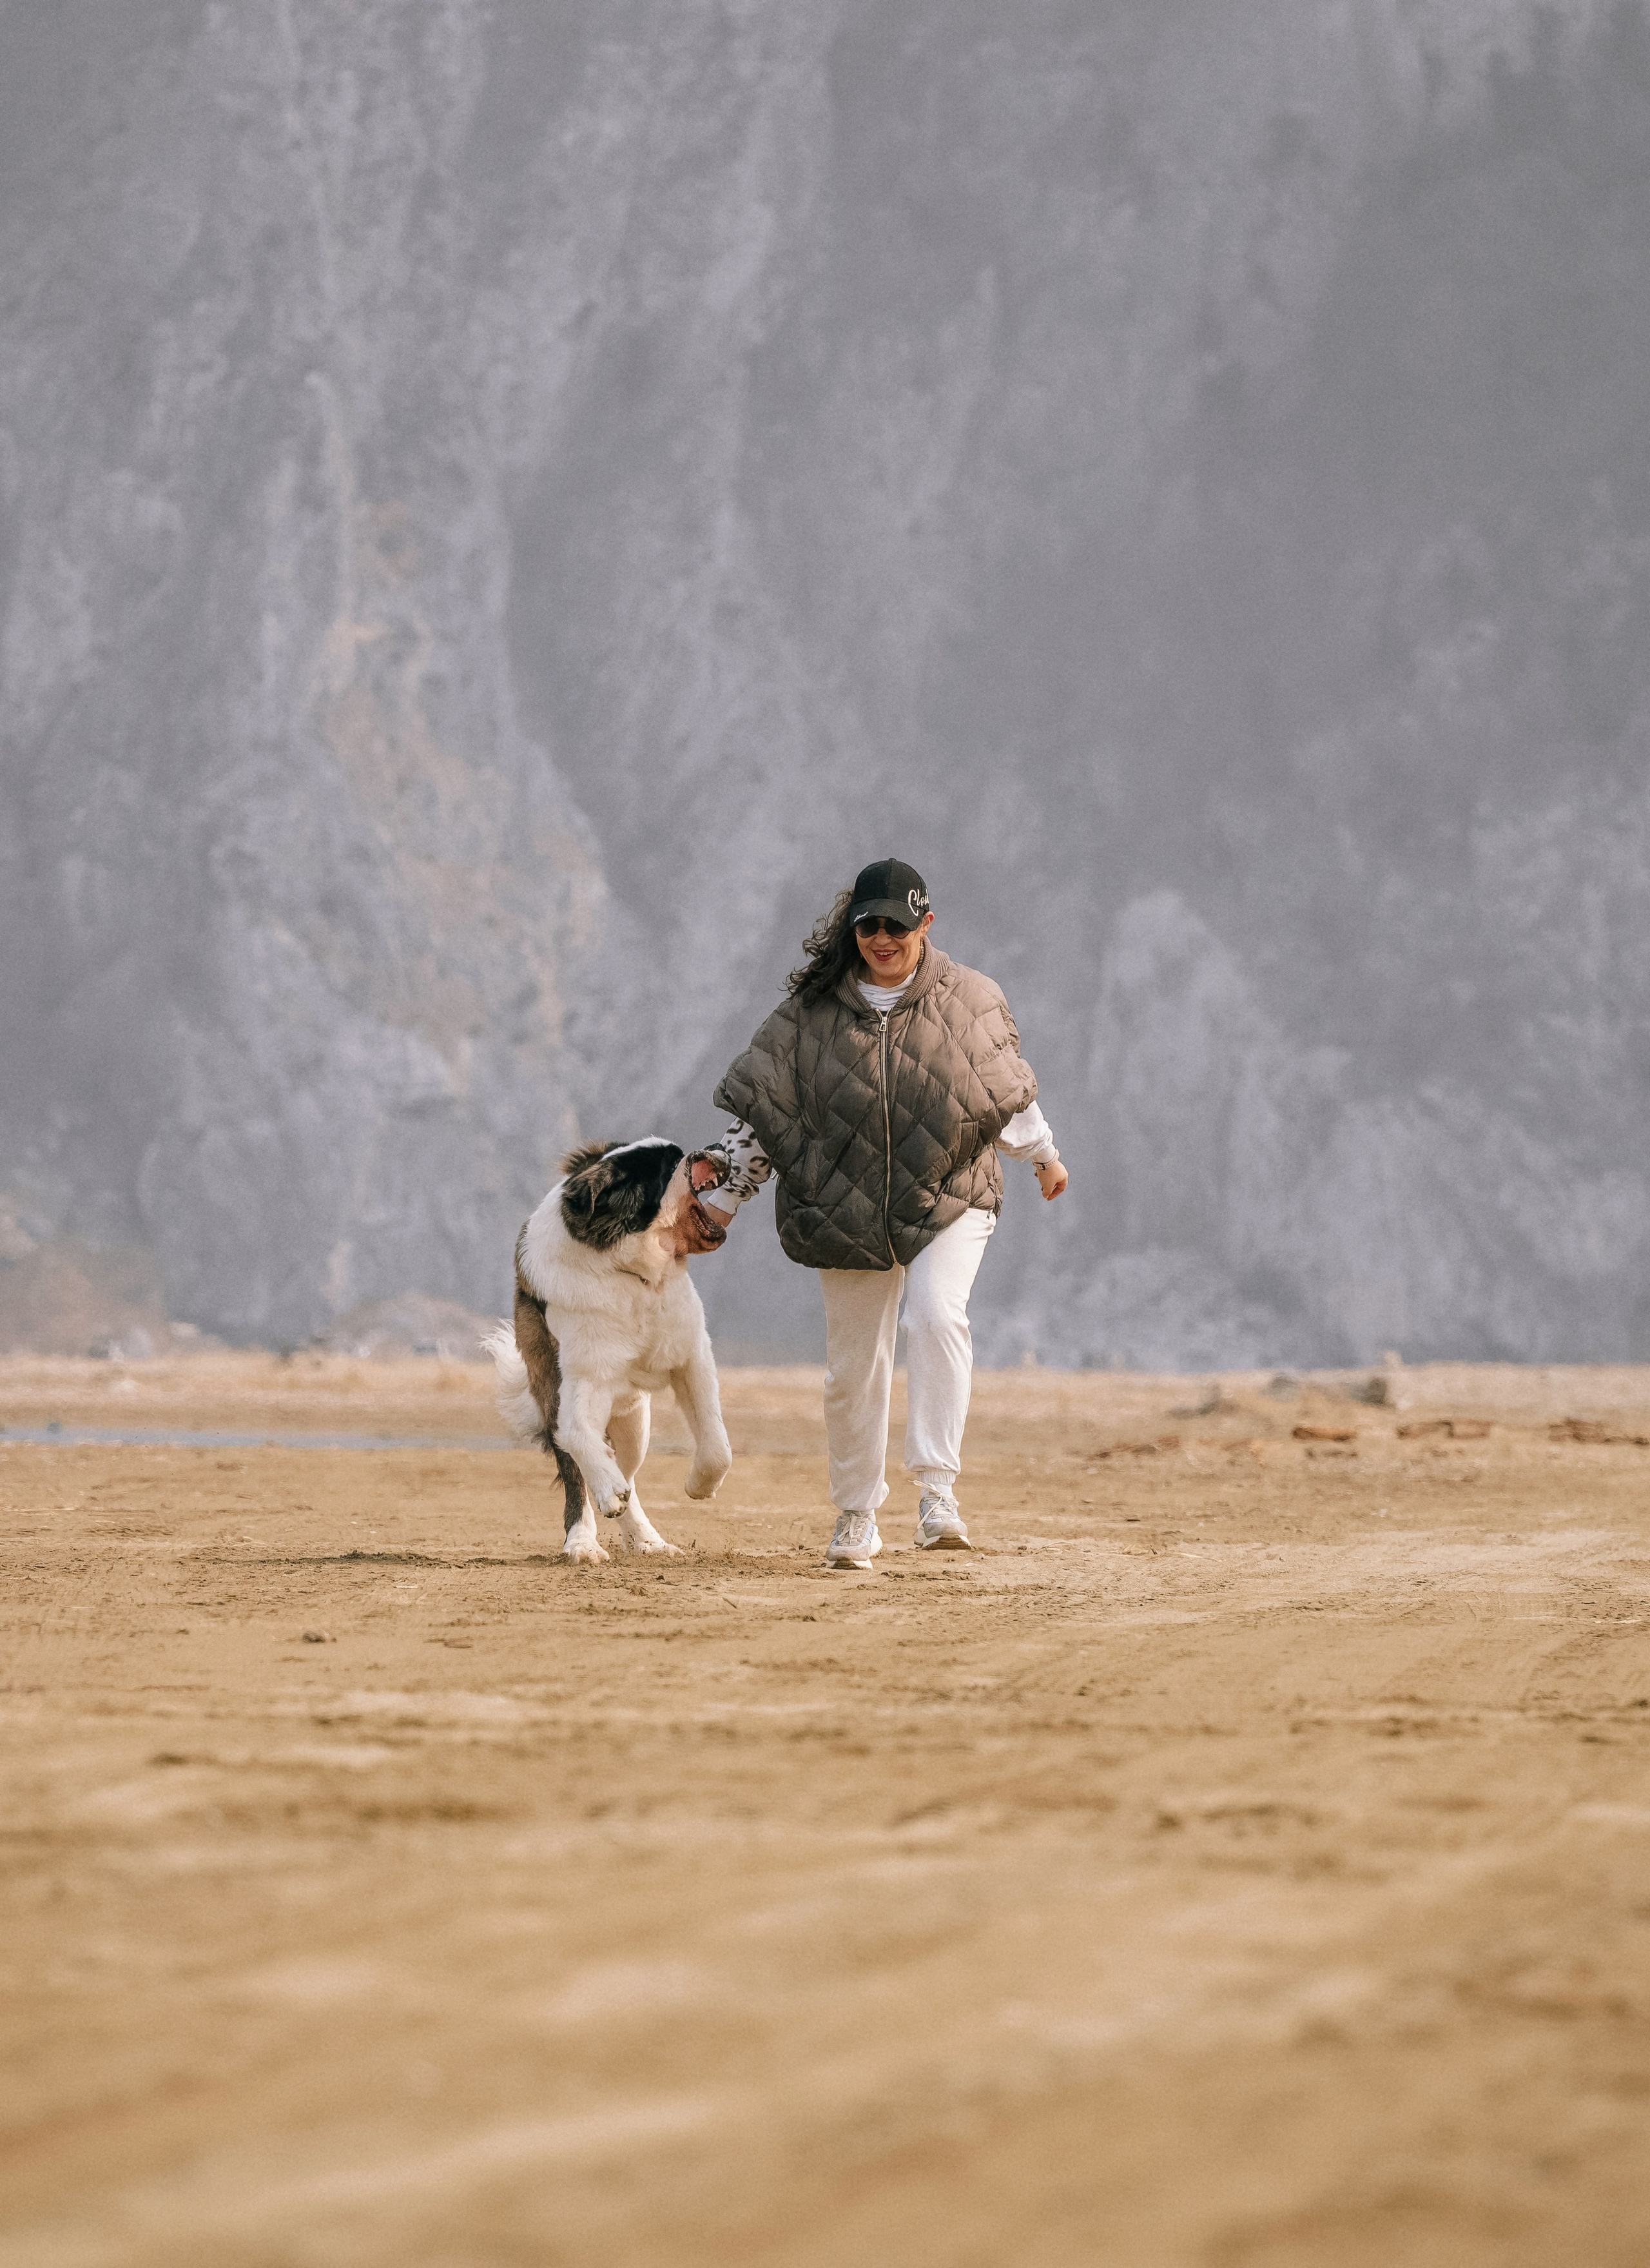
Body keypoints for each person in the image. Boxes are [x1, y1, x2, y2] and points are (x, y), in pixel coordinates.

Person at [705, 857, 1067, 1568]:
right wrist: (720, 1200)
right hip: (846, 1202)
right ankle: (855, 1513)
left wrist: (1045, 1156)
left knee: (936, 1314)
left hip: (950, 1194)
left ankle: (937, 1494)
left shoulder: (970, 998)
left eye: (897, 926)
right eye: (869, 925)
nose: (882, 938)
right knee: (852, 1368)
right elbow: (764, 1117)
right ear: (853, 928)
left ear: (925, 925)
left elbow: (1000, 1090)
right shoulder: (806, 1017)